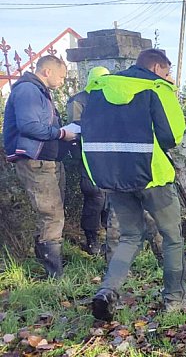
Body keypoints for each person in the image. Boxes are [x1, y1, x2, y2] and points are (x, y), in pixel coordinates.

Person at [81, 49, 186, 320]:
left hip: (115, 177)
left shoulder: (101, 89)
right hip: (153, 177)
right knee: (172, 237)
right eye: (166, 72)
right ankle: (174, 300)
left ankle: (107, 290)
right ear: (155, 67)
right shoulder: (155, 88)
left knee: (130, 237)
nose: (169, 78)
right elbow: (172, 136)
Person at [3, 55, 77, 278]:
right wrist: (62, 133)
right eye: (62, 76)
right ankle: (55, 275)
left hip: (46, 160)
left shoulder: (38, 90)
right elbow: (29, 126)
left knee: (51, 213)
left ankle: (49, 263)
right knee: (51, 214)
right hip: (36, 161)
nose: (63, 82)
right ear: (47, 71)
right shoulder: (29, 90)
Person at [66, 66, 110, 255]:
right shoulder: (79, 100)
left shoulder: (110, 97)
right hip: (88, 155)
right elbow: (75, 127)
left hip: (109, 155)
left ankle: (112, 238)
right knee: (95, 196)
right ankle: (92, 239)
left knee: (110, 197)